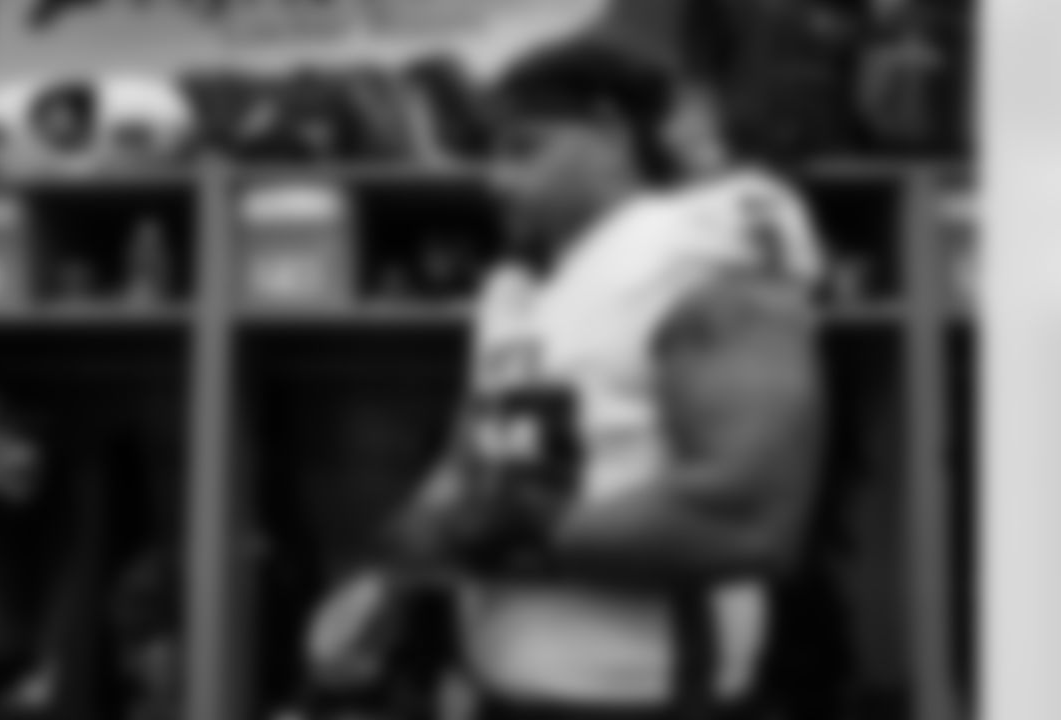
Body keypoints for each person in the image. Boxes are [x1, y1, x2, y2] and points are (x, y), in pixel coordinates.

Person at [306, 38, 826, 720]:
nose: (498, 181)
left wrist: (481, 542)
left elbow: (747, 518)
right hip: (502, 693)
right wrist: (392, 576)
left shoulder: (700, 246)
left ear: (610, 132)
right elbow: (472, 465)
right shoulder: (517, 288)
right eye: (493, 155)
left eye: (525, 149)